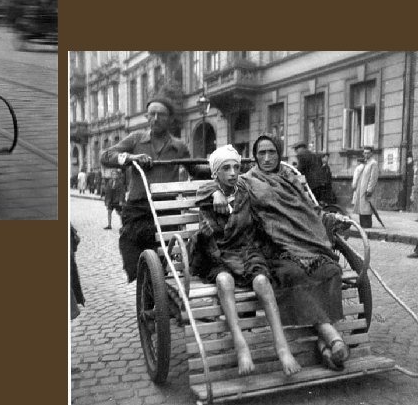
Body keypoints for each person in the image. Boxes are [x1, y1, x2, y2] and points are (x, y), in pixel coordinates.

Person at [219, 134, 352, 371]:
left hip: (306, 245)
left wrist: (332, 220)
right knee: (293, 273)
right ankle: (331, 336)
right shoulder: (247, 180)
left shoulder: (290, 177)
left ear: (279, 154)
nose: (267, 158)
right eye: (261, 153)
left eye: (272, 152)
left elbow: (310, 210)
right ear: (255, 156)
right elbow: (217, 182)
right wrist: (217, 193)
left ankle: (324, 347)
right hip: (273, 249)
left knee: (330, 269)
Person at [189, 145, 301, 376]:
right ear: (215, 173)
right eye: (226, 168)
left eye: (236, 167)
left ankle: (282, 347)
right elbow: (203, 193)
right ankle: (241, 346)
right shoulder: (208, 194)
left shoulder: (245, 190)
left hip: (247, 251)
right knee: (223, 281)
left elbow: (269, 187)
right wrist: (215, 192)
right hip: (218, 254)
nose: (232, 172)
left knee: (261, 281)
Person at [100, 96, 190, 282]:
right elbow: (106, 156)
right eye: (152, 114)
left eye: (161, 115)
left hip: (166, 210)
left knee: (163, 261)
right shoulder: (136, 139)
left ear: (170, 119)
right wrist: (131, 158)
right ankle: (146, 297)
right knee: (137, 260)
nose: (156, 118)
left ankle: (161, 300)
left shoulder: (179, 147)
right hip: (138, 211)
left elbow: (196, 170)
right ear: (147, 117)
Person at [353, 146, 379, 228]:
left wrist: (370, 189)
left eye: (368, 153)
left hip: (367, 190)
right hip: (361, 188)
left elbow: (373, 178)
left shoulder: (373, 163)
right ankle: (362, 224)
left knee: (367, 207)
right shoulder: (365, 163)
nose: (366, 154)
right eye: (365, 153)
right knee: (361, 207)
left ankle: (367, 225)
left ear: (371, 153)